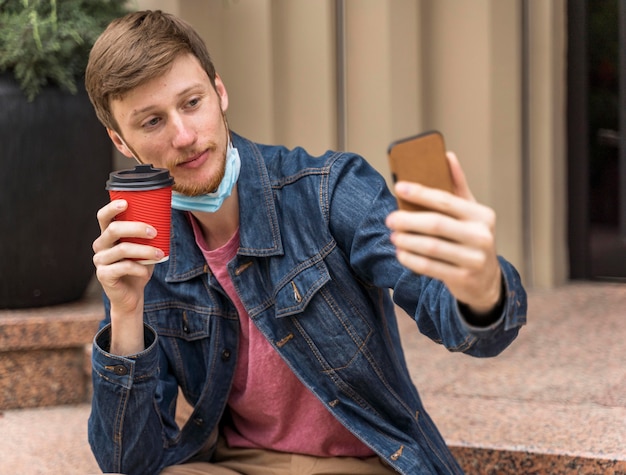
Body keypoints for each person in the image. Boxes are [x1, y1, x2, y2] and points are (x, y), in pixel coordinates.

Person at [85, 10, 527, 475]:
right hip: (238, 462)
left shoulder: (328, 190)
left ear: (219, 93)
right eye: (152, 122)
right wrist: (126, 312)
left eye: (192, 102)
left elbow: (466, 323)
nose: (184, 136)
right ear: (122, 141)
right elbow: (126, 462)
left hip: (359, 462)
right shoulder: (147, 247)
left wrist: (478, 289)